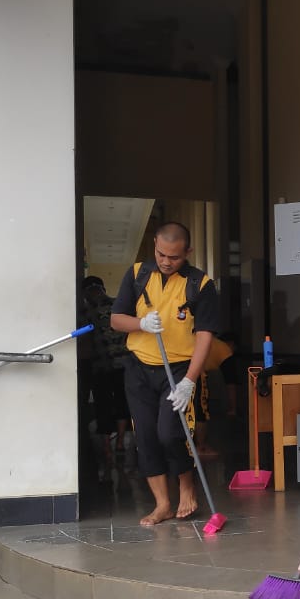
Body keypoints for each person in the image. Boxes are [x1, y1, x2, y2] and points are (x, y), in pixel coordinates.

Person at [110, 222, 219, 526]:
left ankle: (186, 485)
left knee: (170, 433)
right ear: (155, 245)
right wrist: (141, 324)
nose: (166, 261)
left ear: (188, 252)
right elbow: (116, 319)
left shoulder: (201, 284)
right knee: (145, 436)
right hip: (139, 368)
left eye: (174, 257)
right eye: (161, 254)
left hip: (179, 369)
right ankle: (162, 505)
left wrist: (189, 381)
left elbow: (205, 336)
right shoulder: (137, 274)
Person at [83, 276, 131, 474]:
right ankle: (118, 443)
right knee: (121, 403)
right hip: (121, 365)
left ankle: (106, 446)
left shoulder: (86, 312)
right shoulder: (118, 306)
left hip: (101, 367)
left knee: (104, 405)